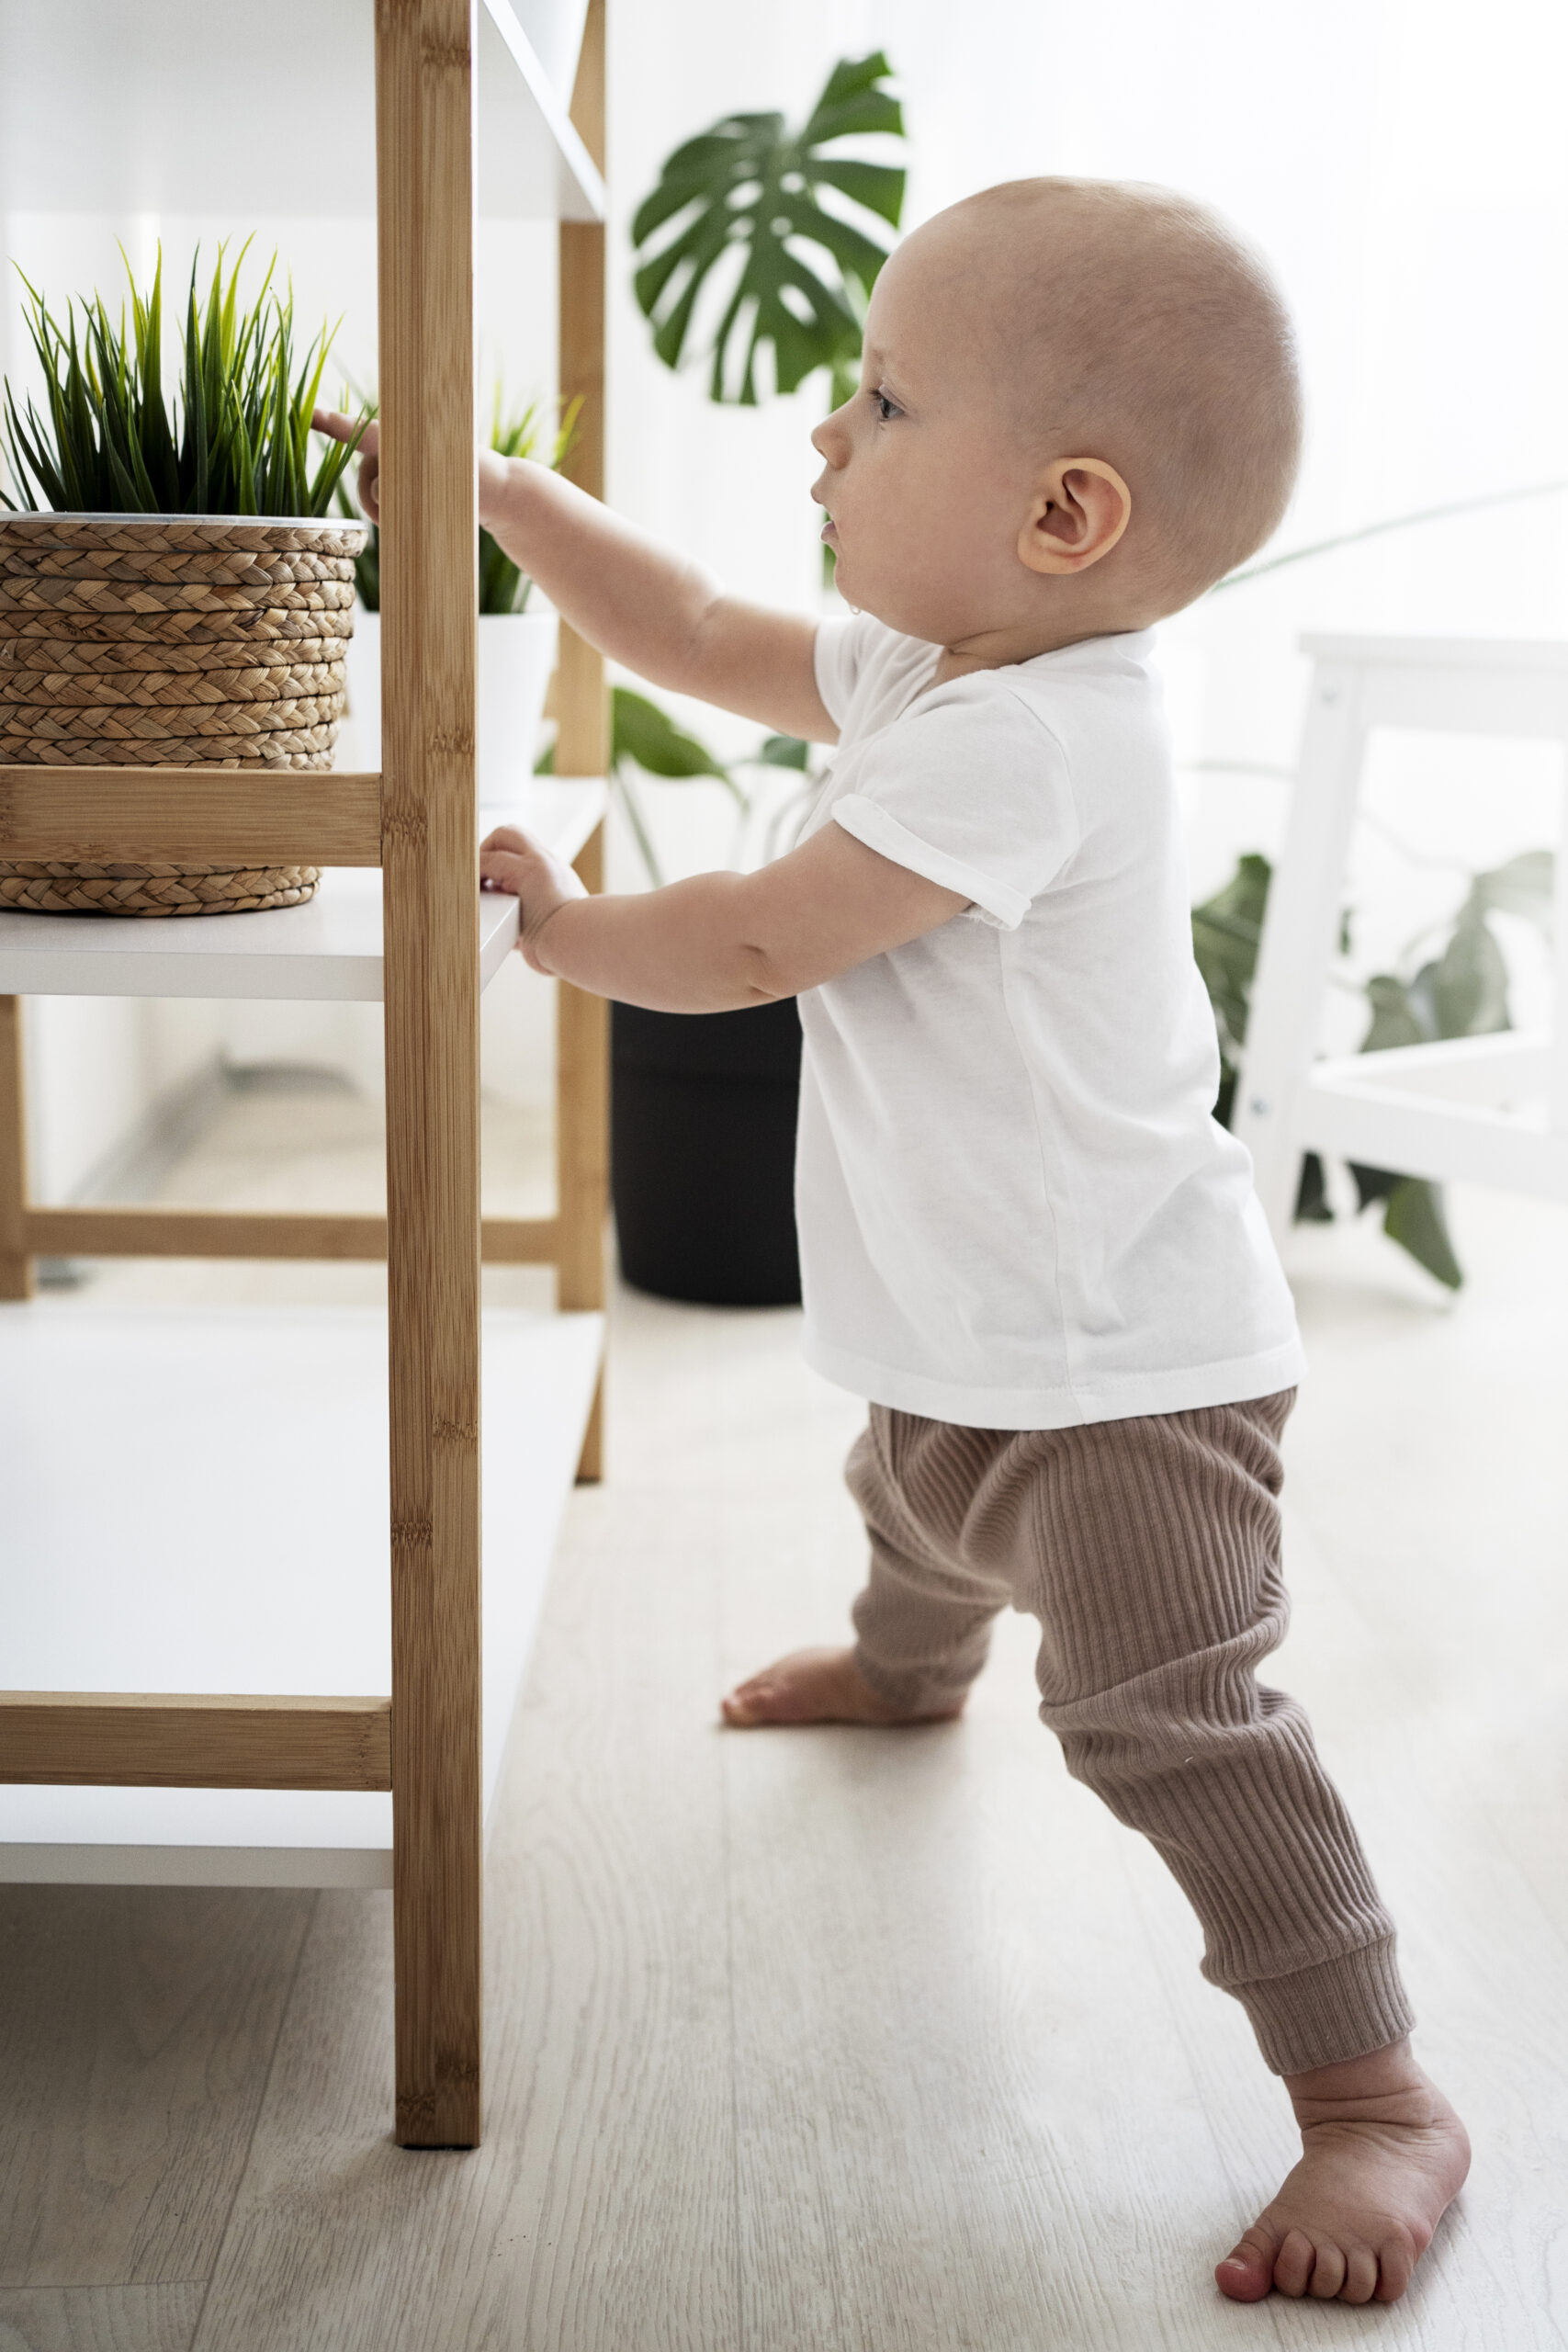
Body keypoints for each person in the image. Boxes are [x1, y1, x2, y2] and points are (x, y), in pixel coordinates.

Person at [316, 174, 1469, 2307]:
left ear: (1057, 517)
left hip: (1124, 1375)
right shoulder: (953, 667)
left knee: (1163, 1709)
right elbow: (680, 631)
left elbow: (763, 930)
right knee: (917, 1500)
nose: (821, 439)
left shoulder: (1034, 737)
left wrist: (557, 929)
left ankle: (1372, 2084)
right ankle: (912, 1661)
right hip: (976, 1325)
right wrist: (495, 490)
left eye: (875, 399)